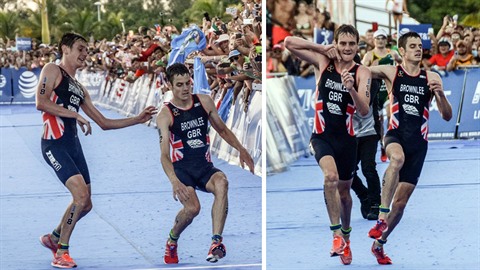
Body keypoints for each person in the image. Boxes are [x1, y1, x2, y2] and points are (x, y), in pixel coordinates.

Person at [36, 32, 157, 269]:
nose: (84, 54)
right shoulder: (52, 70)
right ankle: (61, 252)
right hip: (53, 144)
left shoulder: (80, 88)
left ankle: (53, 237)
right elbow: (41, 103)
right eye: (80, 48)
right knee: (80, 197)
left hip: (72, 146)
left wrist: (137, 119)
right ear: (65, 49)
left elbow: (103, 123)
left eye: (87, 50)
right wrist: (74, 114)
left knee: (87, 204)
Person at [285, 24, 371, 265]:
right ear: (336, 44)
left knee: (344, 193)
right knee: (330, 178)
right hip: (321, 136)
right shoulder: (323, 62)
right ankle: (335, 235)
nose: (346, 48)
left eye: (351, 44)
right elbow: (289, 43)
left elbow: (364, 112)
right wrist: (322, 47)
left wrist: (351, 89)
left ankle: (346, 236)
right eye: (342, 43)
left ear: (357, 46)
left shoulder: (362, 72)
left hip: (347, 141)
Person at [367, 31, 452, 265]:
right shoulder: (392, 72)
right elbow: (361, 70)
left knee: (402, 204)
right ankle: (381, 216)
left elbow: (446, 116)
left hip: (419, 143)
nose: (418, 49)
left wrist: (440, 94)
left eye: (419, 45)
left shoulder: (432, 76)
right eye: (412, 46)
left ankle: (379, 244)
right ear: (402, 51)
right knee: (396, 159)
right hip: (395, 135)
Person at [156, 63, 255, 264]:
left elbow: (222, 130)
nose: (185, 89)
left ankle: (216, 242)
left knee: (222, 182)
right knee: (192, 209)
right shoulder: (165, 115)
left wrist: (241, 150)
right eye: (179, 85)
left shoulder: (204, 102)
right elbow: (164, 155)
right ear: (170, 86)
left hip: (204, 167)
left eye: (188, 83)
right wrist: (175, 182)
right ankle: (172, 240)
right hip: (182, 170)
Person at [362, 28, 402, 163]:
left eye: (383, 38)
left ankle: (392, 142)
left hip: (388, 91)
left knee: (390, 116)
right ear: (374, 40)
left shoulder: (393, 53)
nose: (380, 41)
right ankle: (382, 145)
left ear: (386, 40)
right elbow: (360, 71)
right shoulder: (369, 55)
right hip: (375, 93)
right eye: (378, 38)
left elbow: (404, 65)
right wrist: (371, 67)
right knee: (379, 123)